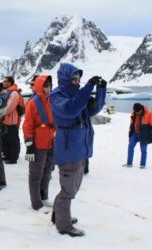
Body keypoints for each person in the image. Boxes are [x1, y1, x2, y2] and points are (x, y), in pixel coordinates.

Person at [50, 63, 106, 237]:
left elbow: (94, 109)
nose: (77, 82)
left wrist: (101, 89)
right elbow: (72, 109)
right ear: (65, 79)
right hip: (68, 150)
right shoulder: (58, 97)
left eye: (78, 79)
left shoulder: (78, 96)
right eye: (74, 79)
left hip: (79, 149)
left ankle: (58, 215)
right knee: (68, 190)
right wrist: (88, 87)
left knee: (73, 188)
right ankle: (64, 225)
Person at [23, 75, 55, 213]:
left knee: (47, 173)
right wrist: (29, 145)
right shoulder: (32, 103)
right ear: (39, 86)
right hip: (38, 145)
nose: (48, 88)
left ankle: (44, 197)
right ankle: (36, 203)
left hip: (50, 143)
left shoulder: (51, 101)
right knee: (35, 175)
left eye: (50, 86)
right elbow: (27, 125)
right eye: (45, 86)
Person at [123, 103, 152, 169]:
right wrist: (130, 134)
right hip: (135, 133)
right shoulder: (134, 114)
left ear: (141, 109)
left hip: (144, 135)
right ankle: (129, 163)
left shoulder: (149, 114)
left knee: (143, 150)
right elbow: (131, 125)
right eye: (136, 111)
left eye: (138, 111)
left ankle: (142, 165)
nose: (137, 113)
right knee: (130, 146)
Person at [1, 76, 22, 164]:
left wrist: (0, 113)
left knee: (12, 140)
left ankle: (13, 158)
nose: (4, 83)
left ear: (10, 83)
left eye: (5, 81)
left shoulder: (14, 93)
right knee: (6, 139)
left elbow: (10, 107)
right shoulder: (8, 92)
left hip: (12, 121)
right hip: (6, 120)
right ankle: (8, 155)